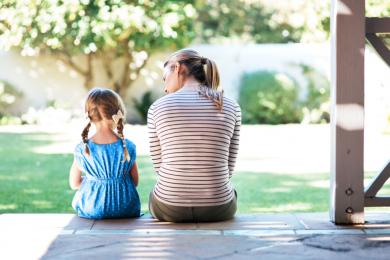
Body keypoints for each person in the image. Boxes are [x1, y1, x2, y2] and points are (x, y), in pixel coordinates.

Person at [147, 49, 241, 222]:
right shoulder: (231, 106)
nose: (164, 85)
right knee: (231, 192)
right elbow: (229, 167)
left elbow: (159, 167)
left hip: (169, 208)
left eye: (164, 77)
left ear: (177, 68)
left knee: (154, 194)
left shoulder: (157, 107)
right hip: (218, 208)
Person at [69, 87, 140, 219]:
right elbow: (135, 182)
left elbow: (74, 184)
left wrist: (93, 180)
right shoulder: (128, 146)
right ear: (118, 113)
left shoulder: (82, 149)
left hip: (93, 208)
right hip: (126, 208)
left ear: (89, 115)